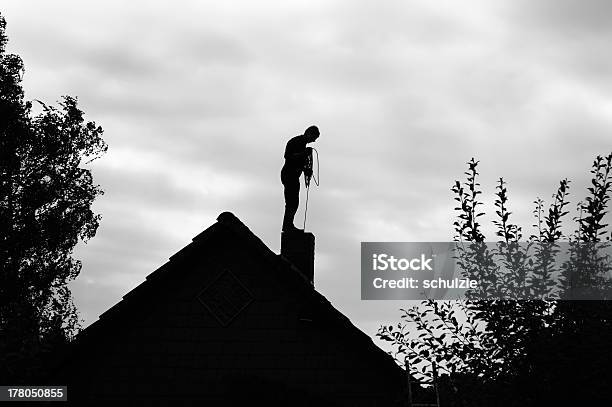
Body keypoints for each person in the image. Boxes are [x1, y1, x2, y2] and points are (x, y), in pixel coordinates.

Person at [281, 125, 320, 232]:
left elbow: (298, 163)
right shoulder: (295, 142)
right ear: (308, 133)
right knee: (292, 202)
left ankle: (288, 225)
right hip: (289, 175)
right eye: (313, 138)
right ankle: (287, 226)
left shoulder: (302, 144)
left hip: (293, 176)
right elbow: (288, 157)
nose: (313, 141)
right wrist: (303, 154)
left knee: (294, 202)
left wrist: (306, 170)